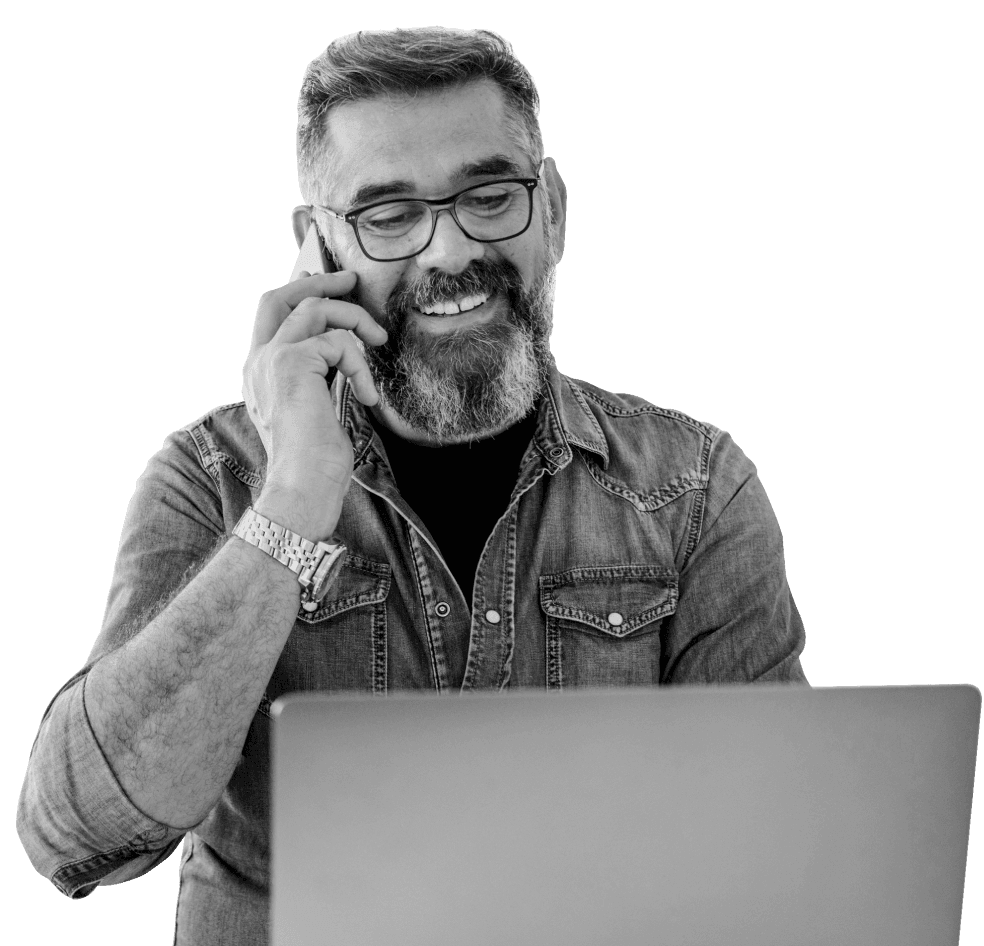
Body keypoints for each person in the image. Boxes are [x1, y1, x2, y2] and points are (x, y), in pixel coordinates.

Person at [17, 26, 807, 944]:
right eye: (388, 214)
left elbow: (770, 862)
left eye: (489, 194)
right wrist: (293, 504)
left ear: (551, 208)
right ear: (315, 247)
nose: (446, 251)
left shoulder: (697, 491)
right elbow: (81, 839)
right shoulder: (212, 481)